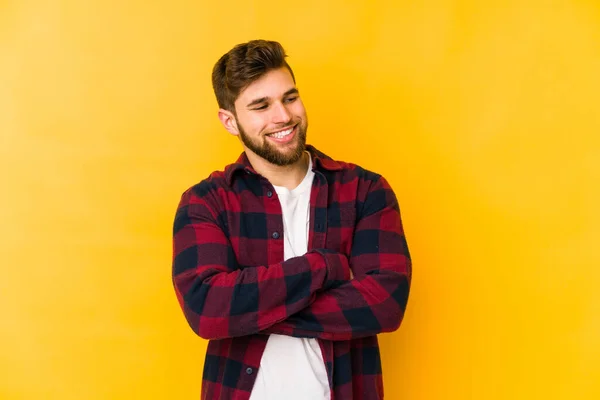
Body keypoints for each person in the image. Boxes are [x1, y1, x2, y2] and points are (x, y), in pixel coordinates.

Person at [172, 39, 412, 400]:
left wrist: (248, 310)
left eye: (289, 97)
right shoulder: (206, 202)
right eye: (260, 106)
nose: (283, 116)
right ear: (230, 121)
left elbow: (385, 304)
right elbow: (207, 310)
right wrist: (323, 266)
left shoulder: (365, 191)